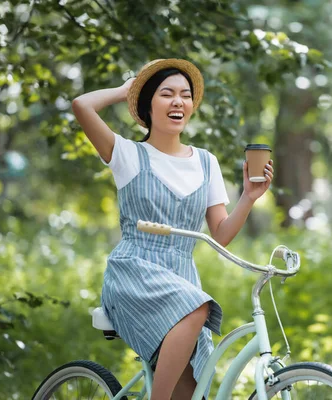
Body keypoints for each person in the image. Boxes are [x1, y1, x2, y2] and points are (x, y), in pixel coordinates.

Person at [71, 59, 274, 400]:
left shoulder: (206, 161)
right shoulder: (129, 154)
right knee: (198, 308)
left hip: (182, 277)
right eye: (166, 94)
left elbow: (220, 234)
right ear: (148, 105)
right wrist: (126, 90)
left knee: (194, 392)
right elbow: (81, 105)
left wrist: (250, 198)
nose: (178, 101)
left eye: (185, 95)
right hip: (134, 271)